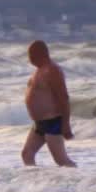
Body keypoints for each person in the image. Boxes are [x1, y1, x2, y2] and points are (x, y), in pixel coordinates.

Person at [21, 39, 76, 167]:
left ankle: (81, 183)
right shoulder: (38, 70)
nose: (29, 59)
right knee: (27, 154)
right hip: (39, 123)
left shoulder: (52, 70)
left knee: (61, 161)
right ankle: (35, 184)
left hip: (52, 121)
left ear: (40, 54)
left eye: (31, 55)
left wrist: (65, 124)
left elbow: (63, 98)